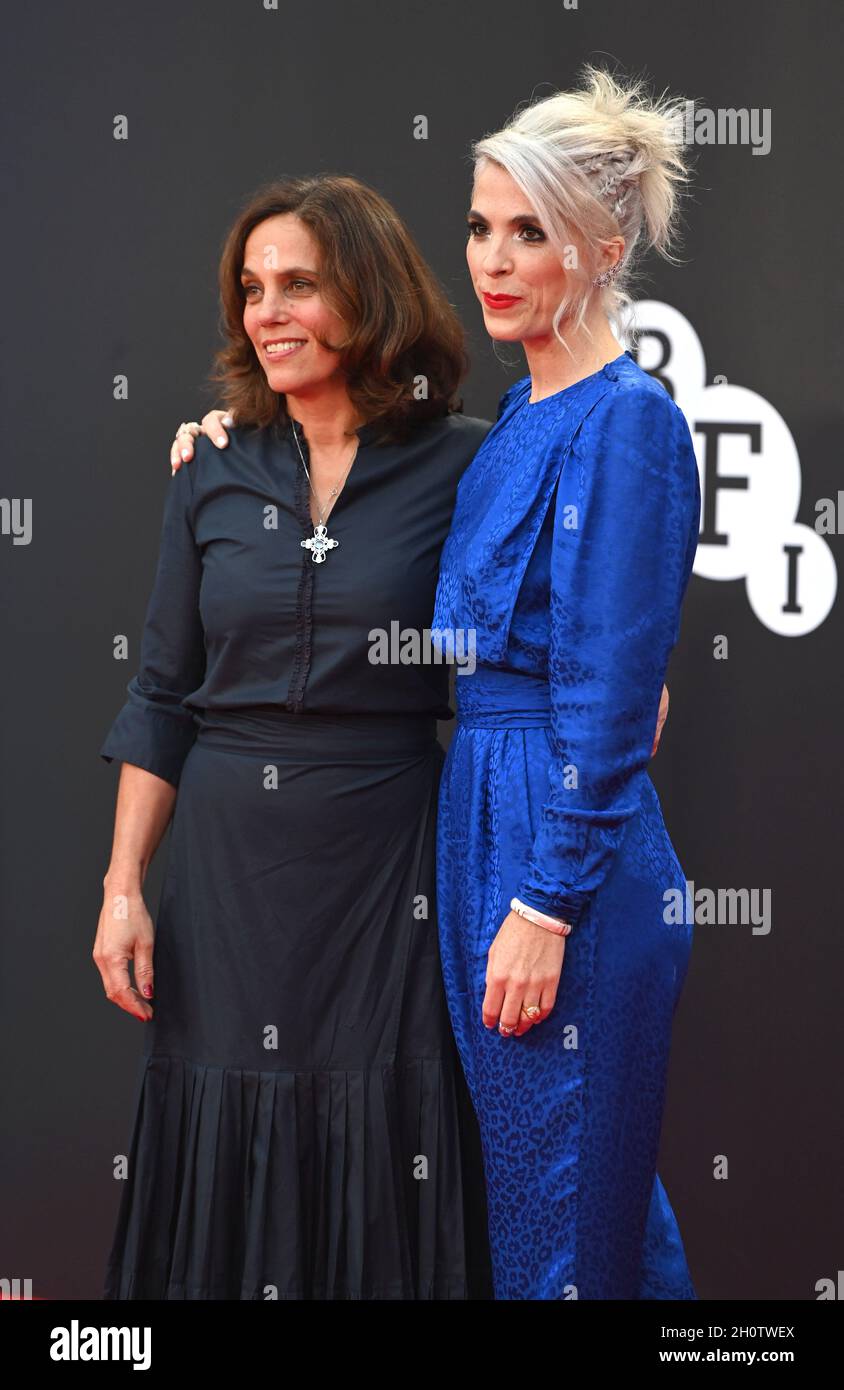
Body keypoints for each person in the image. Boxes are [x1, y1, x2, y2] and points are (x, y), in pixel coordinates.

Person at [94, 173, 497, 1300]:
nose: (265, 312)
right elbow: (164, 690)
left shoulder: (468, 463)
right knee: (225, 1111)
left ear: (366, 297)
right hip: (227, 870)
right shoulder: (209, 467)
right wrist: (125, 882)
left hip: (389, 866)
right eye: (251, 290)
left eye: (299, 286)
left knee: (388, 1112)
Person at [432, 66, 701, 1298]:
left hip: (563, 873)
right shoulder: (514, 418)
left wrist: (543, 905)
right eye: (482, 225)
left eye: (527, 232)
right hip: (489, 829)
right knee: (590, 1232)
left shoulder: (625, 417)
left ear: (597, 248)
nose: (493, 257)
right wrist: (221, 433)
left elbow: (607, 697)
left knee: (567, 1248)